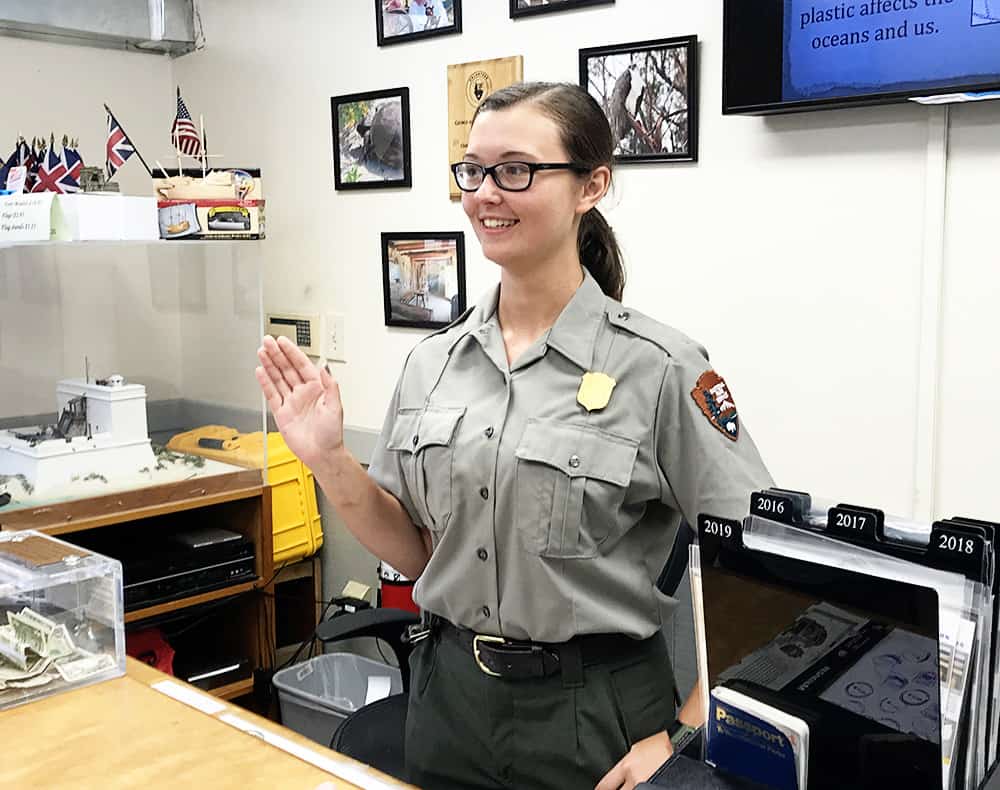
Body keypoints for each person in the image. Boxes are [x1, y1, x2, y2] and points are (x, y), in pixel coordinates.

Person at [256, 82, 773, 790]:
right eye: (473, 171)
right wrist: (326, 457)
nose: (486, 194)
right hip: (449, 705)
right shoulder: (434, 363)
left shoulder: (661, 368)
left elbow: (762, 571)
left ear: (591, 186)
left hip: (597, 714)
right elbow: (414, 549)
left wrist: (687, 731)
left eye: (516, 170)